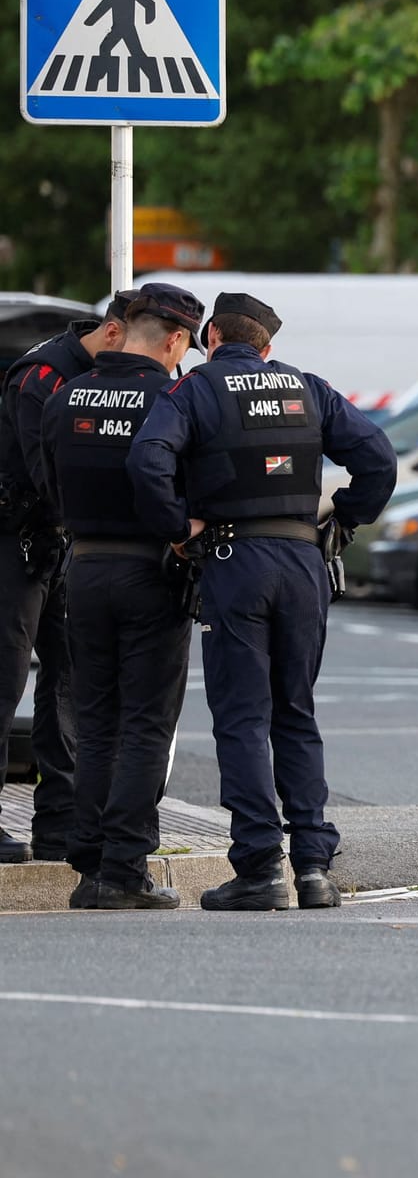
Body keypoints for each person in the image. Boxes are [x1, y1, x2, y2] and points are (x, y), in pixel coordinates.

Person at [128, 292, 397, 911]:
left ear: (212, 337)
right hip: (304, 563)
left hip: (233, 561)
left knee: (243, 719)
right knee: (295, 714)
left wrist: (177, 529)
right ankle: (313, 869)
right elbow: (379, 459)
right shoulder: (307, 388)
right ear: (267, 347)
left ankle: (259, 867)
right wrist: (344, 521)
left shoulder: (197, 389)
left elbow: (148, 458)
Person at [40, 286, 199, 909]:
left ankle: (89, 864)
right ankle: (124, 867)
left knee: (95, 719)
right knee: (145, 723)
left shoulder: (66, 395)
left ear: (125, 327)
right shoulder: (172, 398)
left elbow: (49, 480)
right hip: (152, 570)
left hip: (83, 569)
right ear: (177, 340)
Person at [0, 293, 131, 864]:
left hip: (59, 542)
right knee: (5, 680)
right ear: (111, 332)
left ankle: (60, 823)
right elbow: (45, 471)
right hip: (15, 541)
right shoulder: (44, 376)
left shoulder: (96, 377)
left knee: (69, 683)